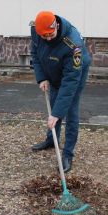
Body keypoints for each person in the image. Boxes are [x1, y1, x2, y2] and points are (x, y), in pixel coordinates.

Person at [30, 11, 91, 173]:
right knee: (53, 101)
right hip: (53, 69)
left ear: (56, 25)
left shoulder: (73, 44)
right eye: (44, 36)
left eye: (51, 35)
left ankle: (68, 153)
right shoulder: (37, 30)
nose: (48, 39)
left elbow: (70, 81)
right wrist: (41, 77)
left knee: (69, 110)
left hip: (75, 74)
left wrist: (57, 114)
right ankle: (52, 140)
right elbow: (35, 54)